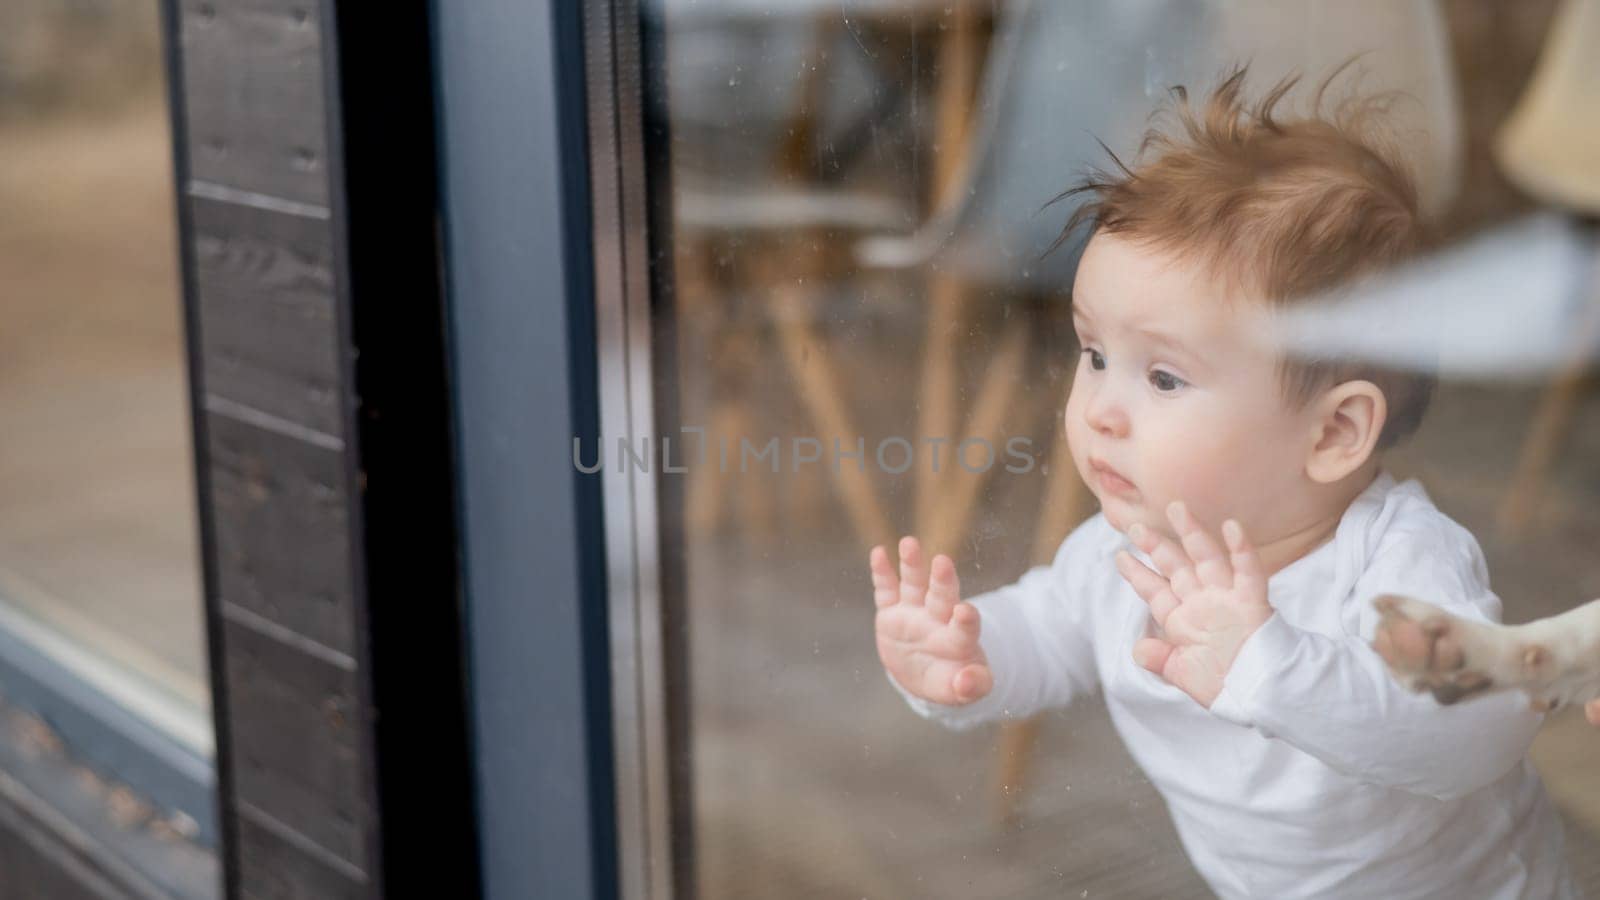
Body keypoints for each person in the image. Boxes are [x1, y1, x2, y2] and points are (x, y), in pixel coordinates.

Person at [869, 66, 1577, 898]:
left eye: (1162, 378)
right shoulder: (1126, 551)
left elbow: (1479, 732)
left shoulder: (1395, 560)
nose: (1100, 408)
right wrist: (963, 652)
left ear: (1335, 433)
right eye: (1094, 355)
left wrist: (1268, 664)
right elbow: (1049, 629)